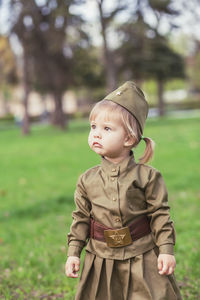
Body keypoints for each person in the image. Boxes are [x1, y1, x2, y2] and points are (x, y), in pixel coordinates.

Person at [65, 81, 182, 300]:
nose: (97, 134)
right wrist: (74, 253)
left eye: (106, 128)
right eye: (93, 127)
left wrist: (166, 250)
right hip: (101, 259)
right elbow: (81, 218)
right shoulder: (87, 180)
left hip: (142, 256)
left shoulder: (148, 177)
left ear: (129, 138)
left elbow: (159, 215)